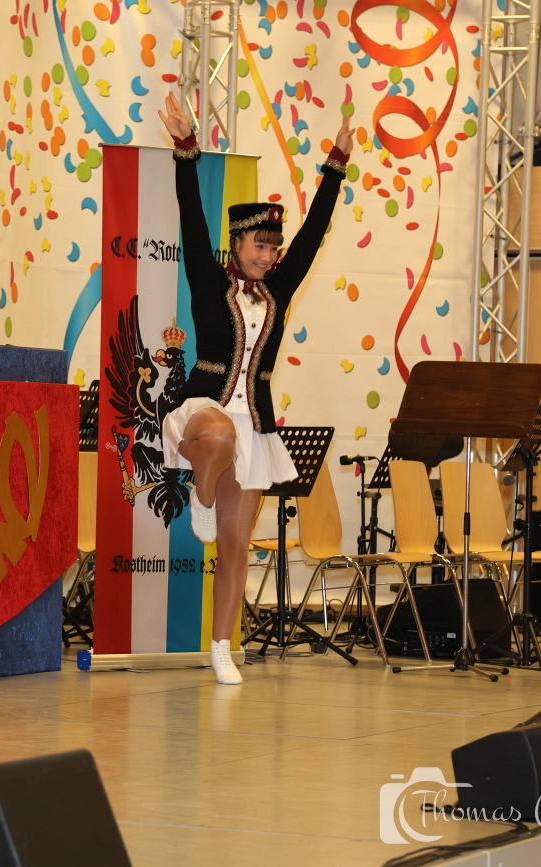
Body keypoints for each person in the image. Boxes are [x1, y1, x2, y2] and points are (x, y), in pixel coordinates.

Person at [157, 92, 353, 684]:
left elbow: (314, 234)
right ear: (237, 245)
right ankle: (201, 496)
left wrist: (336, 165)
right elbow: (191, 217)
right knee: (218, 433)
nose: (268, 256)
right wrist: (186, 149)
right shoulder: (207, 279)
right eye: (258, 246)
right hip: (203, 410)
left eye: (272, 248)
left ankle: (222, 646)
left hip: (256, 425)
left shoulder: (278, 291)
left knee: (236, 548)